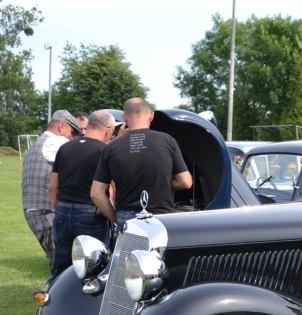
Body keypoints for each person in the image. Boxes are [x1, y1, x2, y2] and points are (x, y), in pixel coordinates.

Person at [91, 98, 192, 234]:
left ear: (124, 118)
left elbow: (96, 193)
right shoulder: (167, 141)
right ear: (151, 115)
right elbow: (186, 182)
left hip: (127, 217)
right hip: (161, 216)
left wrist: (115, 218)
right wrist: (162, 183)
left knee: (128, 255)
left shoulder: (111, 147)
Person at [48, 110, 116, 280]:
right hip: (90, 214)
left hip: (62, 211)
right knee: (95, 267)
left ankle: (55, 300)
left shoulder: (65, 147)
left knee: (62, 266)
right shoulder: (105, 150)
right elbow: (112, 188)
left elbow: (52, 186)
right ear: (108, 130)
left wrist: (59, 208)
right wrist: (113, 217)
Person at [21, 110, 84, 273]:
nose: (72, 137)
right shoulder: (54, 143)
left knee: (60, 262)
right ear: (61, 126)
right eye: (72, 132)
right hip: (46, 212)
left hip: (37, 210)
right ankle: (53, 297)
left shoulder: (40, 143)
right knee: (63, 266)